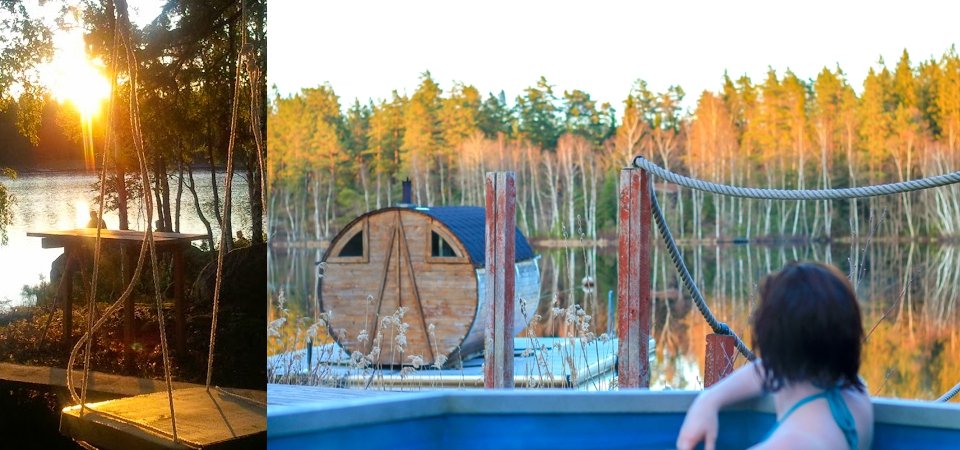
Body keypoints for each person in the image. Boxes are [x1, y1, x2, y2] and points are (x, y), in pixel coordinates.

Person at [676, 262, 873, 450]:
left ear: (768, 338)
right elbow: (764, 370)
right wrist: (709, 400)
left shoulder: (788, 445)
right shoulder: (856, 394)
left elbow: (769, 369)